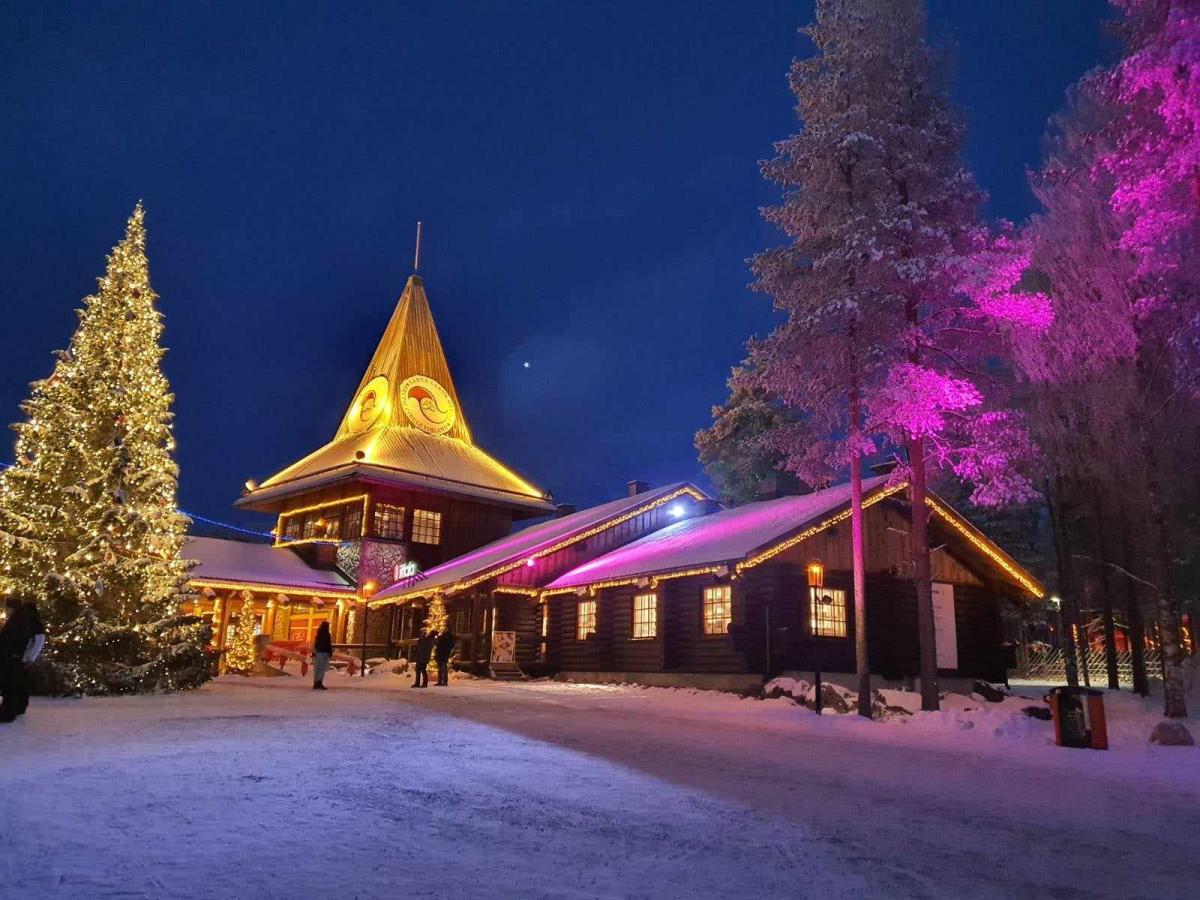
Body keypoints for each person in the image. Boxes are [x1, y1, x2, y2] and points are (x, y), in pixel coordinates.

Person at [0, 597, 41, 723]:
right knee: (17, 684)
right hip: (17, 656)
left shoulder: (20, 619)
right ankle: (16, 708)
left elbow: (37, 639)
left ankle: (8, 712)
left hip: (14, 657)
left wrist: (27, 657)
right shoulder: (25, 618)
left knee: (11, 685)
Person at [312, 621, 332, 691]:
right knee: (322, 668)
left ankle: (315, 683)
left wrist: (314, 652)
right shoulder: (327, 634)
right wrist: (330, 652)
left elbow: (315, 644)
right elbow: (328, 644)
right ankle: (319, 683)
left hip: (318, 653)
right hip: (324, 653)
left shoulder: (318, 634)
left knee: (317, 668)